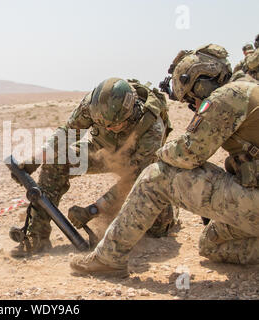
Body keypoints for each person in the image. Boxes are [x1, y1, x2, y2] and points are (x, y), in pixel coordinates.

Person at [70, 44, 259, 277]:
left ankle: (109, 258)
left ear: (201, 83)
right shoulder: (251, 88)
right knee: (211, 244)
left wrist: (156, 155)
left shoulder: (229, 96)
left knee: (156, 176)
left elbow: (189, 153)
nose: (195, 106)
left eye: (193, 99)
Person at [10, 77, 177, 258]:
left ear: (130, 113)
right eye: (103, 125)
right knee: (56, 162)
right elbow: (68, 133)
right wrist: (36, 159)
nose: (109, 128)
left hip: (137, 164)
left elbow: (134, 179)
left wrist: (91, 210)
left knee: (157, 227)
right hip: (102, 152)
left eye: (114, 125)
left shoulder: (152, 127)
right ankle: (36, 235)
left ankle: (170, 210)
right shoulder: (93, 106)